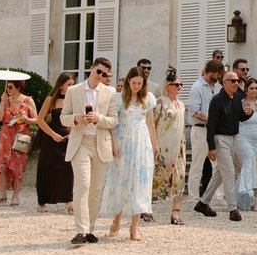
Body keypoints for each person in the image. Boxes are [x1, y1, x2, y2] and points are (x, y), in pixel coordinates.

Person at [60, 58, 119, 245]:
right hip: (81, 142)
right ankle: (81, 230)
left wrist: (98, 118)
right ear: (91, 68)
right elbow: (63, 118)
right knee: (82, 185)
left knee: (95, 190)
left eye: (105, 74)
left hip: (101, 143)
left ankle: (91, 229)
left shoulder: (110, 92)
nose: (100, 76)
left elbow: (114, 120)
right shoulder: (73, 90)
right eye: (98, 72)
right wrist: (76, 118)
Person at [103, 68, 155, 240]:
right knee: (121, 180)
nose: (136, 86)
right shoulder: (118, 99)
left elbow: (150, 123)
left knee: (140, 181)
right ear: (127, 82)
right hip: (123, 140)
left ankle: (135, 226)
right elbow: (111, 123)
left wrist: (154, 145)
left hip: (141, 142)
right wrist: (114, 142)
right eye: (133, 83)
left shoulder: (148, 99)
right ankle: (117, 220)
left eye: (139, 83)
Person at [199, 70, 245, 221]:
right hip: (220, 138)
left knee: (225, 170)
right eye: (232, 81)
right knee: (229, 172)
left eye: (237, 80)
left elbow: (242, 116)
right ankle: (233, 209)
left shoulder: (238, 97)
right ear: (224, 83)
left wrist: (250, 113)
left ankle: (204, 202)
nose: (236, 83)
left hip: (234, 138)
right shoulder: (217, 100)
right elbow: (211, 125)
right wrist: (211, 147)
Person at [0, 79, 37, 206]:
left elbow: (36, 119)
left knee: (18, 166)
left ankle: (15, 197)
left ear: (18, 87)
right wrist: (2, 102)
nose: (8, 89)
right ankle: (2, 194)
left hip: (21, 135)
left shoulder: (28, 101)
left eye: (10, 87)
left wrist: (26, 119)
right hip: (6, 136)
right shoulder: (6, 101)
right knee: (2, 164)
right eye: (7, 87)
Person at [33, 73, 75, 212]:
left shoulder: (73, 100)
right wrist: (52, 135)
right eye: (69, 84)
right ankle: (42, 201)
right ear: (61, 85)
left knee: (68, 170)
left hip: (67, 139)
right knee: (47, 169)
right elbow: (40, 119)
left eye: (72, 84)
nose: (71, 87)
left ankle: (69, 201)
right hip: (50, 140)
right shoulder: (50, 99)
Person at [185, 59, 224, 208]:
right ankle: (193, 198)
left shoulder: (213, 87)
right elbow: (194, 112)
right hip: (200, 130)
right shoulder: (197, 87)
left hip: (210, 130)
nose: (218, 77)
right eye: (217, 74)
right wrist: (212, 119)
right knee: (198, 165)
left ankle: (216, 196)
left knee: (217, 165)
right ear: (211, 72)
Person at [151, 70, 187, 224]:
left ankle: (176, 213)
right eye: (176, 84)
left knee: (179, 178)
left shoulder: (181, 104)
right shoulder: (159, 103)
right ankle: (146, 210)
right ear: (168, 86)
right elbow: (151, 123)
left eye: (180, 84)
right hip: (162, 146)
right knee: (155, 178)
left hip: (178, 146)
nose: (179, 87)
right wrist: (153, 144)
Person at [234, 78, 257, 211]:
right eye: (251, 88)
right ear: (246, 90)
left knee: (249, 166)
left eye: (256, 88)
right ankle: (254, 195)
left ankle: (238, 196)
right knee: (249, 162)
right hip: (242, 138)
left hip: (256, 141)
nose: (254, 91)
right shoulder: (241, 104)